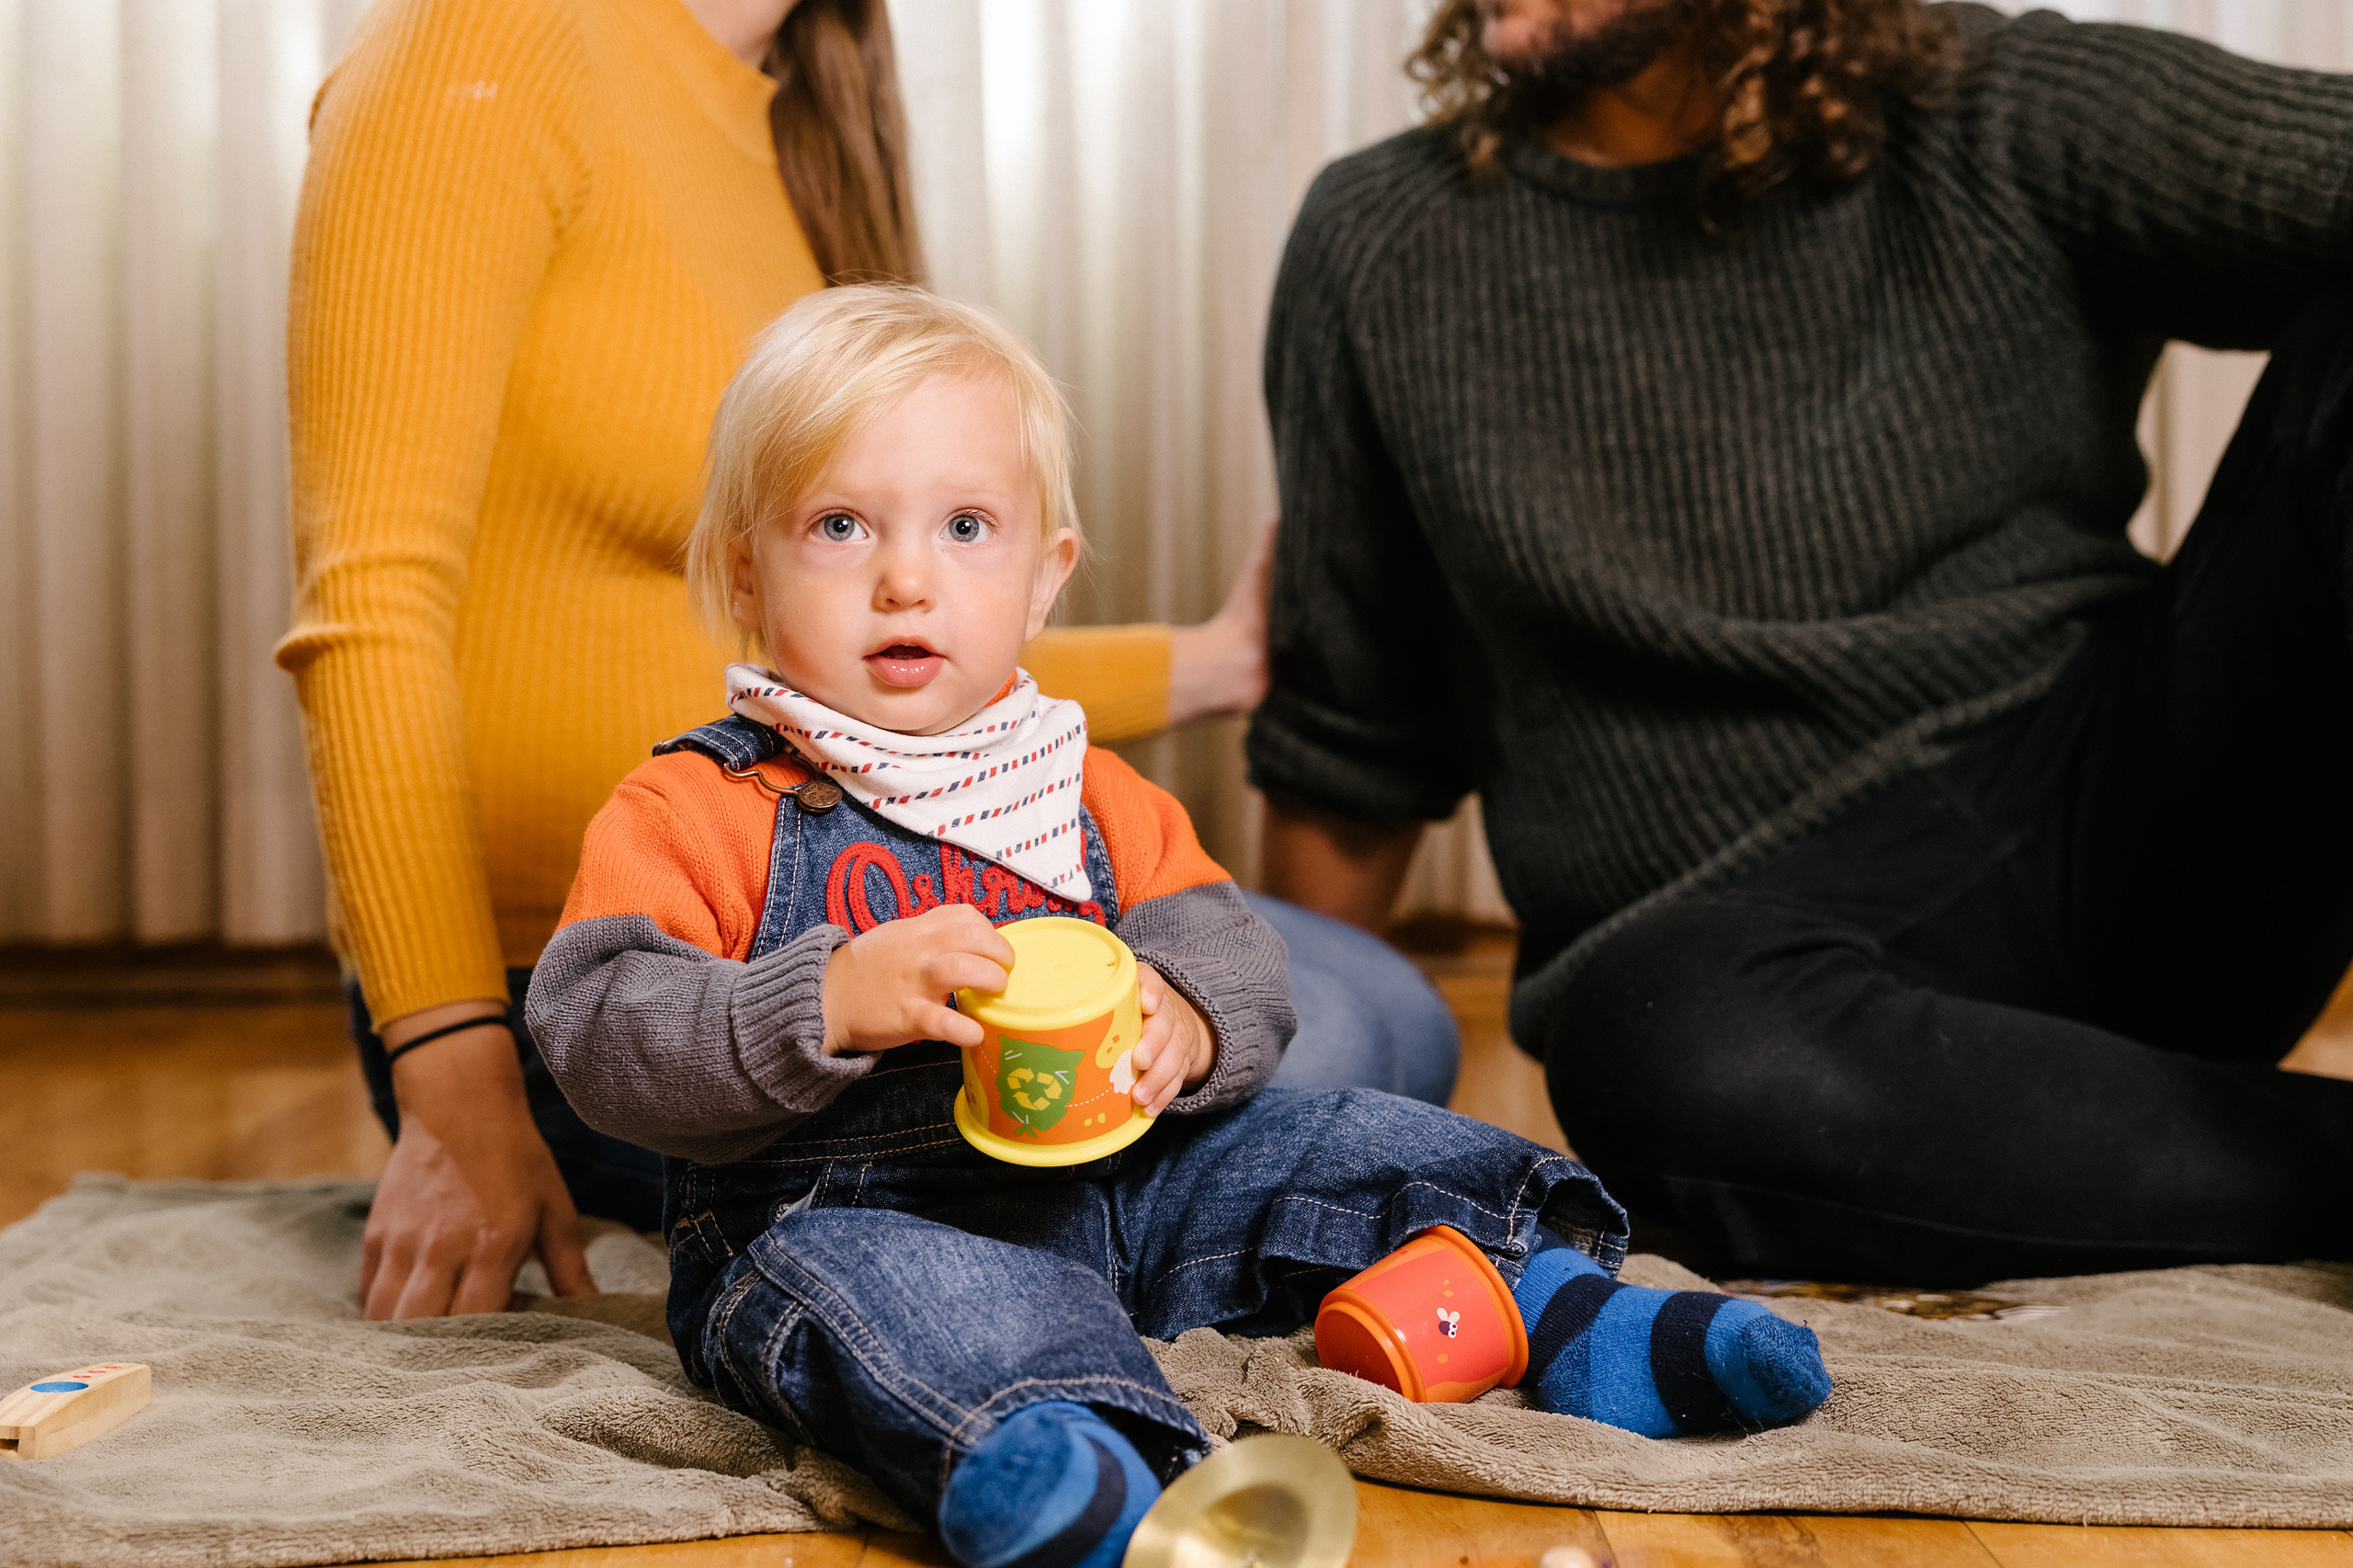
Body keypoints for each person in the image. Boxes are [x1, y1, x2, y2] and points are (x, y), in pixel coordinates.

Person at [525, 284, 1831, 1560]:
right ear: (748, 576)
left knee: (1344, 1141)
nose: (908, 579)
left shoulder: (1086, 787)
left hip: (1126, 1186)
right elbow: (593, 1027)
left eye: (967, 527)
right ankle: (1077, 1459)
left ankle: (1567, 1308)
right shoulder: (700, 802)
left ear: (1046, 578)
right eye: (842, 527)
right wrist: (819, 999)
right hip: (835, 1209)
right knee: (913, 1305)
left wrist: (1193, 1021)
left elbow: (1234, 951)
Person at [278, 0, 1453, 1322]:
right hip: (630, 989)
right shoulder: (480, 47)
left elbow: (903, 640)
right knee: (1342, 1047)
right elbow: (370, 603)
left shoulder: (794, 119)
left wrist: (1213, 664)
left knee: (1381, 1010)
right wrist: (454, 1086)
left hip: (928, 901)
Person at [1248, 0, 2353, 1285]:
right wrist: (1271, 1129)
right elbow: (1353, 747)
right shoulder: (1379, 241)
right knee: (1651, 1030)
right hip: (1769, 982)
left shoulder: (1993, 106)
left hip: (2138, 822)